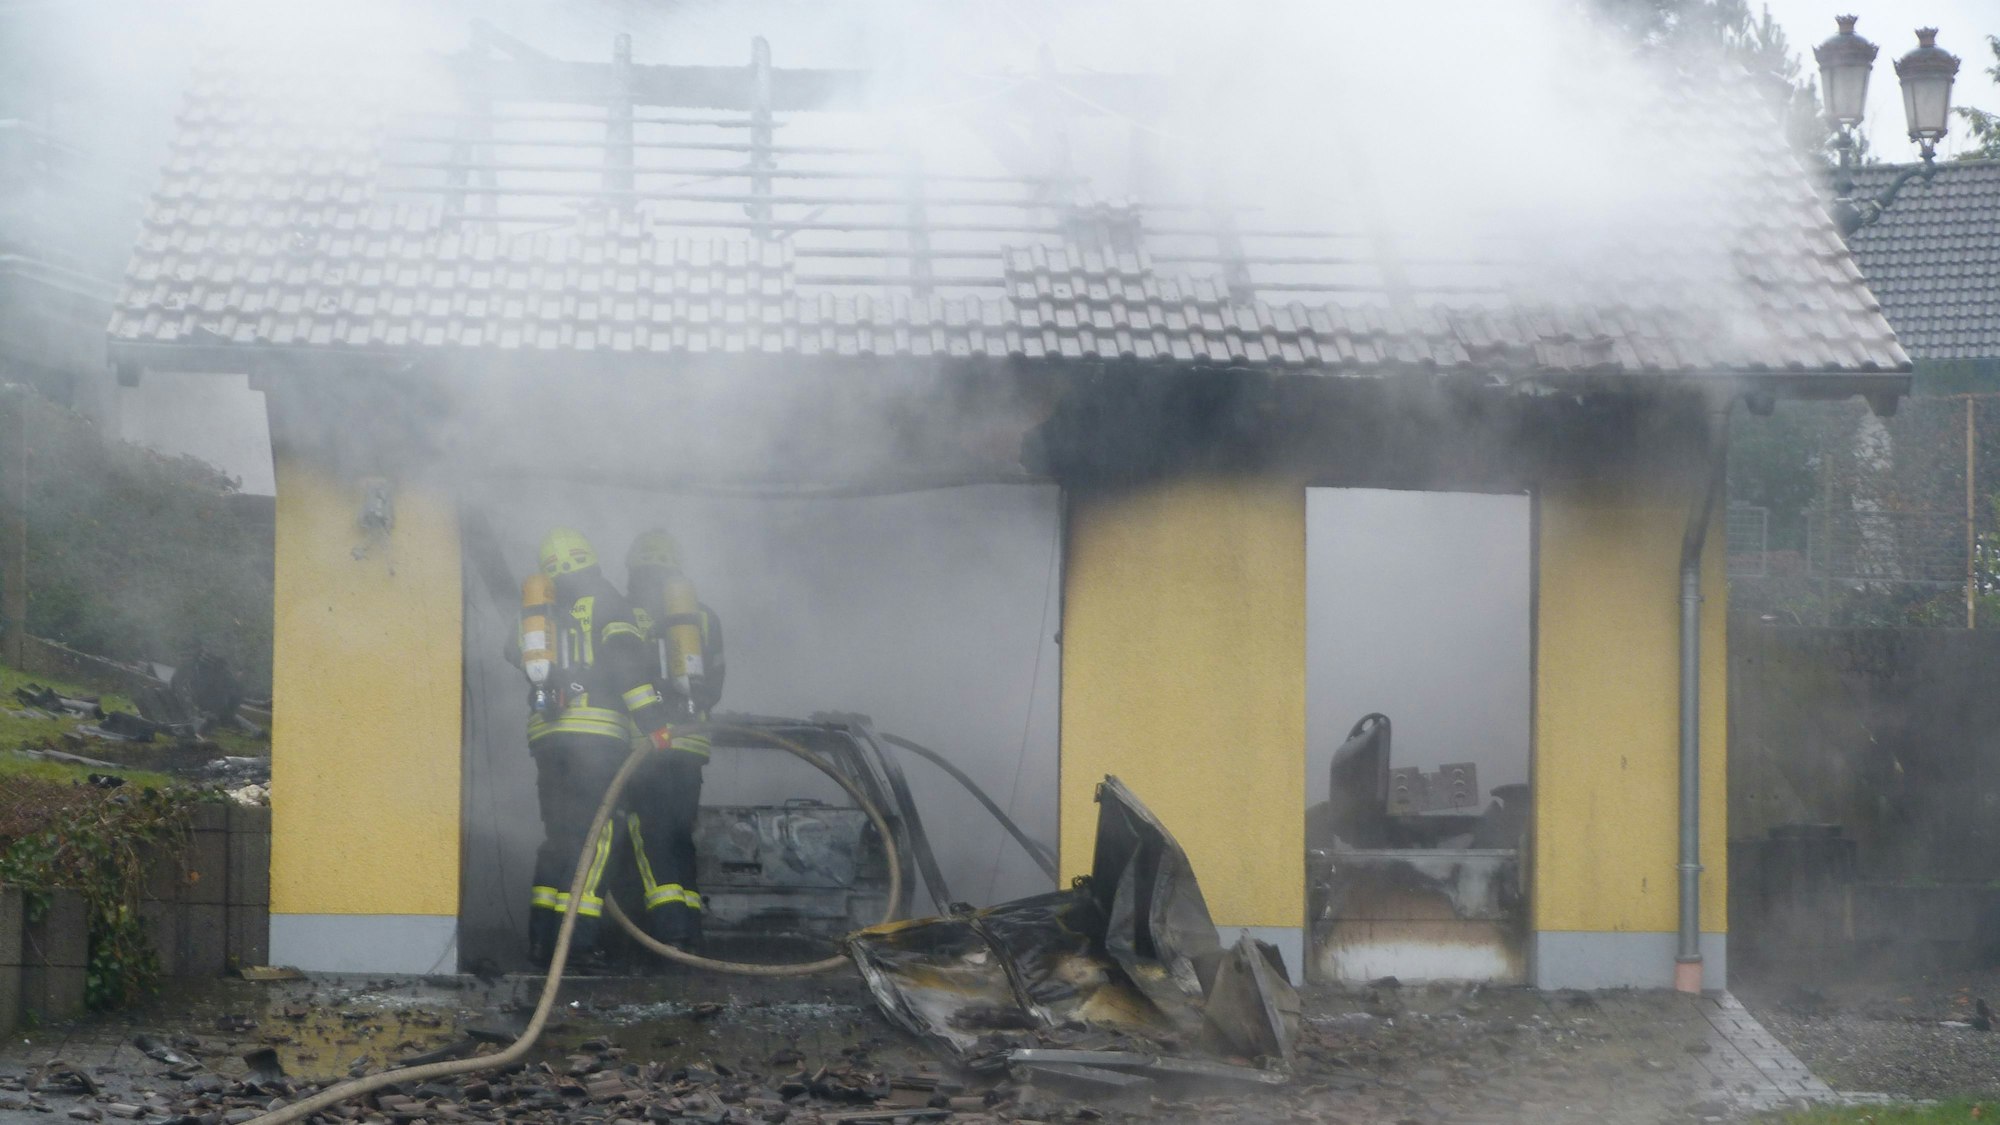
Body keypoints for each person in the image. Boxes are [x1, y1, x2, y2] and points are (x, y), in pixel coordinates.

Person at [521, 527, 703, 970]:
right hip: (597, 738)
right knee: (598, 837)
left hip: (547, 738)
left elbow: (515, 652)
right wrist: (652, 722)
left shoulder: (542, 607)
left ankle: (544, 941)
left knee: (561, 839)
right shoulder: (607, 600)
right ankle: (578, 944)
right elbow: (625, 664)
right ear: (594, 562)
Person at [620, 529, 725, 951]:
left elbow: (622, 677)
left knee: (649, 836)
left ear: (634, 568)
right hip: (692, 745)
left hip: (647, 744)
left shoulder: (628, 613)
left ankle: (669, 934)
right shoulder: (703, 616)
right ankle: (691, 931)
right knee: (680, 837)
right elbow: (715, 684)